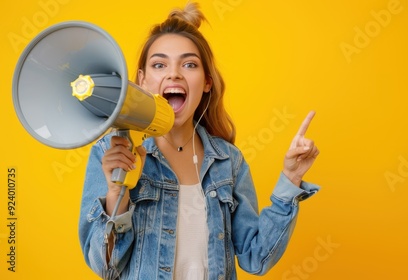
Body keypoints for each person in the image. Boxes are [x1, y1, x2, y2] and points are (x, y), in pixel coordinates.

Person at [78, 2, 320, 279]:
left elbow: (256, 257)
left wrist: (291, 179)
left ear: (206, 82)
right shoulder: (111, 154)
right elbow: (105, 268)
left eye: (189, 64)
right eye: (159, 64)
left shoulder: (229, 161)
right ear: (143, 81)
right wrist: (115, 193)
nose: (174, 74)